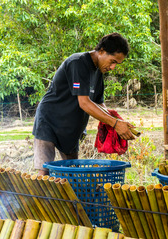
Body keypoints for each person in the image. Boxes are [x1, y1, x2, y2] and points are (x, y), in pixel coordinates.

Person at [32, 33, 135, 175]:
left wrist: (116, 121)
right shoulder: (78, 63)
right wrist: (115, 124)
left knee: (72, 174)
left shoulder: (98, 72)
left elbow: (99, 103)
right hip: (49, 121)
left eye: (116, 63)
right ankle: (41, 196)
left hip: (71, 129)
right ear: (102, 51)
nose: (113, 67)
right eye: (112, 61)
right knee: (44, 171)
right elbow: (84, 103)